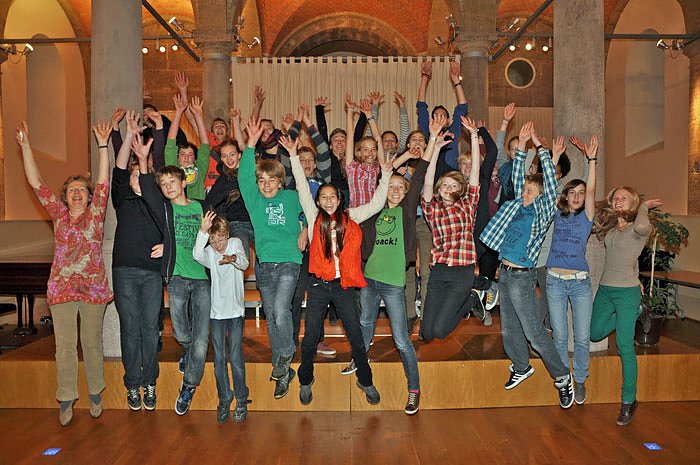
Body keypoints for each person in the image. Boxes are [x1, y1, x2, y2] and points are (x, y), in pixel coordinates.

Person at [16, 120, 113, 426]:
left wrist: (102, 145)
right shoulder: (58, 214)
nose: (77, 193)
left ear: (89, 196)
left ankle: (95, 392)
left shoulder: (96, 214)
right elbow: (36, 183)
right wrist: (26, 147)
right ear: (65, 197)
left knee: (92, 342)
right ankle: (67, 396)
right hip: (62, 288)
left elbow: (104, 182)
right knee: (65, 345)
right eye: (71, 190)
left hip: (93, 288)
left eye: (81, 190)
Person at [284, 135, 392, 407]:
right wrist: (293, 156)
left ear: (339, 198)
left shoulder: (351, 217)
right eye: (324, 197)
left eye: (332, 196)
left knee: (355, 336)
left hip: (344, 286)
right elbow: (301, 186)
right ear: (318, 201)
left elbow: (377, 203)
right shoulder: (313, 217)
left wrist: (386, 176)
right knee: (310, 338)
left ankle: (365, 380)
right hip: (319, 286)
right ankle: (305, 380)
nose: (328, 200)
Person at [479, 122, 575, 409]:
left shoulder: (542, 210)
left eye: (531, 191)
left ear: (542, 195)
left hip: (522, 276)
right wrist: (521, 144)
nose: (525, 194)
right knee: (509, 328)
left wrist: (539, 146)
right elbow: (519, 176)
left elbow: (548, 183)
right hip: (506, 274)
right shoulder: (517, 207)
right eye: (524, 191)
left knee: (534, 332)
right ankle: (521, 366)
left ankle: (562, 377)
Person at [134, 134, 211, 416]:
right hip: (177, 278)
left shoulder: (201, 206)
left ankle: (188, 386)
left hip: (202, 279)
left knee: (201, 339)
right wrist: (143, 160)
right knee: (180, 332)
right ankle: (189, 352)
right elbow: (147, 189)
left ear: (184, 182)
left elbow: (216, 239)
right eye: (163, 184)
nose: (168, 187)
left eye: (172, 182)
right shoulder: (165, 209)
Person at [357, 141, 434, 415]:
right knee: (365, 323)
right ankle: (360, 360)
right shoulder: (374, 211)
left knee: (401, 340)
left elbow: (420, 174)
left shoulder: (406, 209)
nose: (397, 190)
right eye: (392, 186)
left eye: (401, 187)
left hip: (392, 285)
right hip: (369, 280)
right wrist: (389, 172)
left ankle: (414, 389)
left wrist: (432, 140)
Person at [239, 116, 305, 400]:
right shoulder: (254, 201)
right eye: (262, 180)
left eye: (272, 180)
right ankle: (283, 370)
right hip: (265, 266)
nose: (266, 185)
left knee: (280, 310)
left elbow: (311, 210)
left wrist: (305, 229)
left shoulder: (291, 198)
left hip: (289, 260)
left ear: (280, 181)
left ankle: (286, 353)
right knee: (272, 318)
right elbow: (243, 177)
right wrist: (251, 143)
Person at [590, 186, 661, 426]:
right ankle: (639, 311)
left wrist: (643, 207)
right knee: (595, 333)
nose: (619, 200)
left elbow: (640, 226)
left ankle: (628, 401)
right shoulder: (612, 228)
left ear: (634, 203)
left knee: (624, 347)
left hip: (626, 293)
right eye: (616, 197)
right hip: (605, 289)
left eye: (624, 198)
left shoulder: (640, 228)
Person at [111, 111, 164, 412]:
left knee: (150, 330)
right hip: (125, 271)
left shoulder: (158, 202)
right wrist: (129, 134)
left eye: (140, 176)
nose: (136, 179)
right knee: (130, 329)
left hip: (152, 273)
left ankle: (150, 380)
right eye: (133, 176)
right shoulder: (123, 200)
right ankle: (132, 383)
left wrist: (166, 245)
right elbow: (119, 168)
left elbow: (170, 228)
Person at [545, 135, 598, 407]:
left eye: (581, 193)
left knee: (582, 337)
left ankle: (579, 378)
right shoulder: (557, 212)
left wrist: (591, 159)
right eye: (573, 192)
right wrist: (554, 157)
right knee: (560, 336)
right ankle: (563, 379)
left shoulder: (586, 217)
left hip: (579, 284)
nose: (577, 196)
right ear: (566, 195)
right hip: (554, 281)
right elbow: (548, 188)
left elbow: (592, 190)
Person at [419, 115, 480, 341]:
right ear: (439, 188)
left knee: (439, 331)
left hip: (462, 272)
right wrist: (435, 147)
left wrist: (473, 136)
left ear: (460, 190)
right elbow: (427, 179)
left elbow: (475, 173)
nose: (448, 188)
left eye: (454, 185)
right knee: (426, 333)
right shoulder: (432, 209)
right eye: (445, 184)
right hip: (439, 271)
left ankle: (471, 300)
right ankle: (470, 302)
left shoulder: (467, 204)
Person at [193, 212, 250, 423]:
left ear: (227, 235)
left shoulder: (235, 243)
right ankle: (225, 397)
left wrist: (232, 258)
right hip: (217, 313)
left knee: (235, 357)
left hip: (235, 311)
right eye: (213, 241)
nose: (218, 245)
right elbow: (197, 255)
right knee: (219, 360)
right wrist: (202, 231)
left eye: (221, 240)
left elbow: (244, 263)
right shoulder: (209, 252)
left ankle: (242, 399)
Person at [164, 94, 211, 201]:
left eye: (190, 155)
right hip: (177, 206)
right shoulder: (173, 167)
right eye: (183, 154)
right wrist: (178, 112)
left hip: (197, 206)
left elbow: (205, 145)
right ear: (177, 157)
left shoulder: (200, 167)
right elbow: (171, 142)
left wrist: (198, 116)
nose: (186, 157)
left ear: (195, 158)